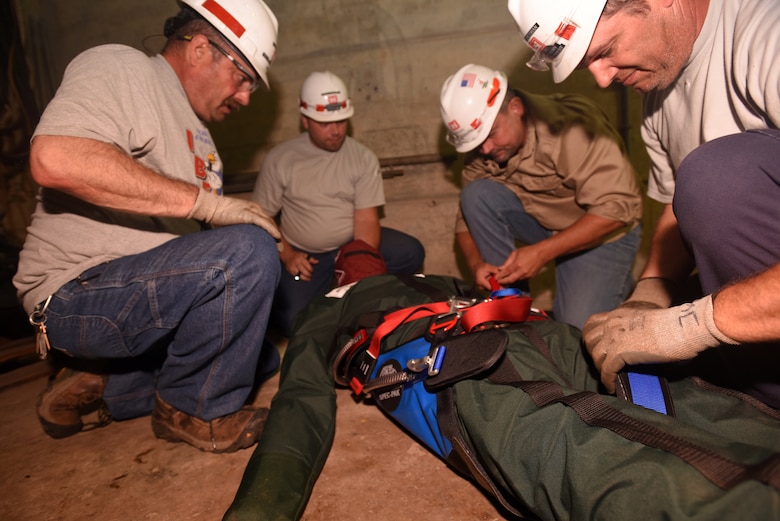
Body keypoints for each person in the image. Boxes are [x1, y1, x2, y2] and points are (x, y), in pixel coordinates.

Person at [14, 0, 284, 453]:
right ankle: (194, 411)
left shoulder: (203, 141)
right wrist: (211, 209)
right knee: (248, 252)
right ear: (200, 49)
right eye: (243, 78)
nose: (244, 97)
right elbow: (54, 158)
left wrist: (225, 225)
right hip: (74, 294)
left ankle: (106, 385)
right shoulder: (123, 67)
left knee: (261, 357)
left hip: (140, 291)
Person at [508, 0, 780, 407]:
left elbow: (707, 191)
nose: (601, 79)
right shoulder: (657, 91)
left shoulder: (767, 34)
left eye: (603, 51)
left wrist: (694, 325)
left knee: (716, 177)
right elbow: (678, 207)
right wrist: (651, 291)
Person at [439, 63, 642, 330]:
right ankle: (510, 307)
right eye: (476, 143)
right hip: (543, 224)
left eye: (490, 135)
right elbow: (465, 220)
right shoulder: (484, 147)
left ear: (516, 108)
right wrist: (477, 264)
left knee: (575, 331)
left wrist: (541, 253)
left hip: (602, 234)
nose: (485, 149)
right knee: (475, 195)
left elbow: (619, 208)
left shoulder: (572, 128)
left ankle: (610, 282)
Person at [251, 71, 425, 336]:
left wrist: (359, 264)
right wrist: (288, 255)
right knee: (293, 322)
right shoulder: (281, 159)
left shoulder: (362, 157)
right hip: (305, 254)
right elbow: (262, 217)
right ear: (305, 121)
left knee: (410, 252)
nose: (336, 131)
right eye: (325, 123)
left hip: (348, 244)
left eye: (342, 121)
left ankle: (353, 292)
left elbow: (366, 219)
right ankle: (331, 294)